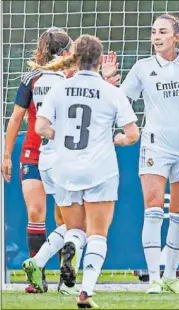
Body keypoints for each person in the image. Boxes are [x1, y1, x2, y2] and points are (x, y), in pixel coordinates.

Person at [34, 34, 140, 307]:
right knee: (98, 234)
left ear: (75, 58)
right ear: (99, 59)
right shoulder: (110, 91)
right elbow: (132, 133)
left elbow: (40, 127)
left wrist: (60, 135)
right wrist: (119, 139)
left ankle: (71, 246)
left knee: (75, 229)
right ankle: (86, 292)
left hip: (65, 169)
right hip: (100, 169)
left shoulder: (59, 88)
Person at [21, 31, 121, 296]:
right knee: (81, 226)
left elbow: (30, 122)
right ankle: (71, 283)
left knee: (69, 223)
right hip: (75, 158)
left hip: (48, 158)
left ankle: (39, 261)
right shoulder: (65, 81)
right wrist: (107, 80)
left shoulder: (40, 79)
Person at [120, 14, 179, 294]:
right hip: (155, 145)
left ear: (176, 37)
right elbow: (122, 100)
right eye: (154, 31)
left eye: (163, 32)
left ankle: (171, 276)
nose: (156, 37)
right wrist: (128, 130)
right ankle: (154, 278)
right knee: (154, 210)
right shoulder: (143, 68)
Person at [1, 27, 73, 294]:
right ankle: (37, 275)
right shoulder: (32, 78)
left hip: (64, 151)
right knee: (36, 212)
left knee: (64, 217)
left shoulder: (71, 78)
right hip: (33, 150)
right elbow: (16, 118)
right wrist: (7, 154)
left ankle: (67, 273)